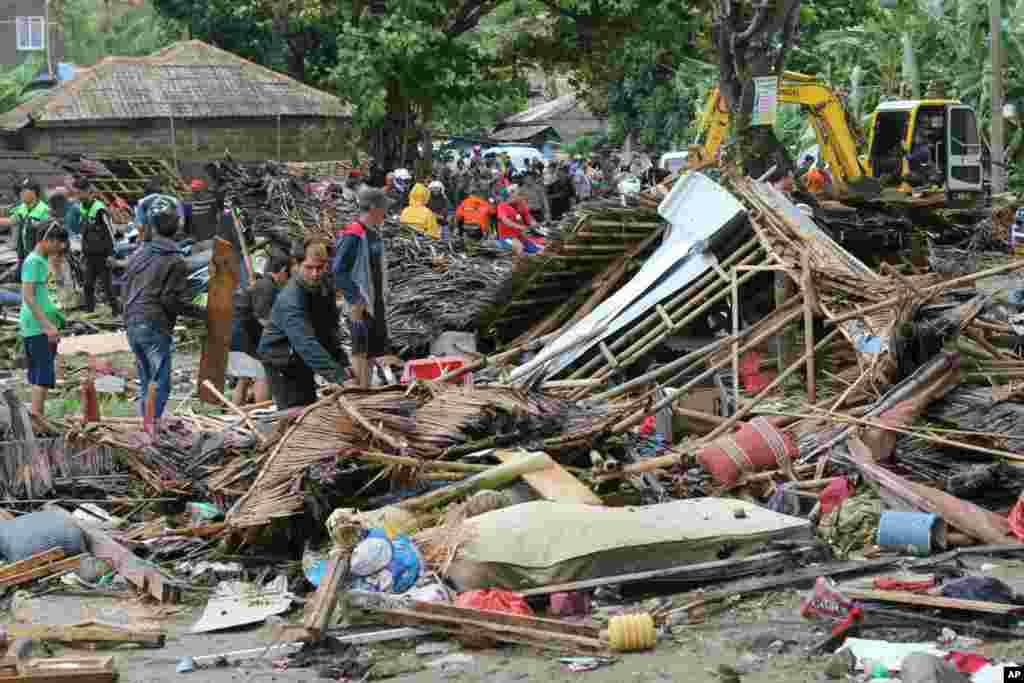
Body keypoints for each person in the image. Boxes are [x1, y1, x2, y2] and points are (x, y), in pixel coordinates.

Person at [122, 202, 205, 423]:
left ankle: (147, 426)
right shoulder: (174, 259)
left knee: (147, 379)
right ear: (177, 227)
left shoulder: (140, 253)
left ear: (154, 227)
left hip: (132, 321)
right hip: (153, 323)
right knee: (159, 382)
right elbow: (170, 300)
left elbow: (125, 286)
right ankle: (151, 430)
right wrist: (201, 313)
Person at [259, 239, 348, 408]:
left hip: (299, 357)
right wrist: (338, 376)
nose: (315, 274)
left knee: (308, 404)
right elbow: (305, 342)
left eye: (320, 268)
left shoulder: (324, 286)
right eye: (309, 268)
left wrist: (341, 361)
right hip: (280, 357)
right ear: (297, 264)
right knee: (294, 410)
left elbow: (329, 328)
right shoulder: (291, 298)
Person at [334, 188, 393, 388]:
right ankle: (361, 393)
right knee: (360, 350)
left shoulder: (374, 234)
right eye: (384, 208)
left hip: (375, 301)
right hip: (361, 303)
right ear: (375, 208)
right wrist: (356, 298)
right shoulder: (354, 234)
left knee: (372, 351)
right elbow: (339, 270)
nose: (385, 213)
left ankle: (366, 388)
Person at [230, 249, 290, 406]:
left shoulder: (261, 284)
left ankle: (236, 413)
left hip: (234, 333)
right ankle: (261, 413)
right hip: (245, 336)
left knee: (244, 376)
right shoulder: (267, 285)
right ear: (283, 271)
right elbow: (263, 318)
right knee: (263, 374)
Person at [20, 222, 67, 417]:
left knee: (42, 374)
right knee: (42, 374)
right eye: (59, 243)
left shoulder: (42, 260)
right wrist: (47, 326)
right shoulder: (33, 261)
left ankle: (37, 417)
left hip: (43, 326)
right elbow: (28, 296)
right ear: (48, 240)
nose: (61, 247)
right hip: (38, 327)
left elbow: (52, 290)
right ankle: (37, 421)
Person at [77, 182, 120, 315]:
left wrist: (111, 253)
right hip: (89, 254)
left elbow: (110, 231)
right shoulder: (82, 208)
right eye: (78, 193)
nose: (80, 196)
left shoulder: (99, 209)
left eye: (82, 193)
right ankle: (89, 311)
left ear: (90, 194)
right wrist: (83, 251)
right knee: (88, 284)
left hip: (103, 255)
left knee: (107, 286)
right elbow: (84, 231)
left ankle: (116, 311)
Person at [1, 180, 50, 282]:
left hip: (37, 258)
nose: (21, 194)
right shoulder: (22, 208)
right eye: (21, 191)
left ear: (33, 193)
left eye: (24, 191)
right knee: (18, 280)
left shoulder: (44, 211)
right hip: (23, 256)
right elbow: (11, 221)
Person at [496, 185, 543, 255]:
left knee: (538, 249)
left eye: (520, 194)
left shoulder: (521, 203)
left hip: (520, 235)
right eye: (518, 194)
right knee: (519, 247)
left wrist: (534, 223)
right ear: (510, 195)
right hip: (506, 237)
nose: (521, 197)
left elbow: (528, 216)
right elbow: (505, 220)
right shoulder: (502, 206)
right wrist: (520, 227)